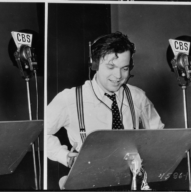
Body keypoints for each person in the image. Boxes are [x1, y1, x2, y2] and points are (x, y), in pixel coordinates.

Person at [47, 32, 164, 175]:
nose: (118, 76)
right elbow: (42, 133)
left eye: (125, 68)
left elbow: (159, 135)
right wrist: (64, 156)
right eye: (111, 67)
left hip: (129, 179)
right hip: (89, 178)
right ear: (94, 64)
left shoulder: (137, 96)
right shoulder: (68, 99)